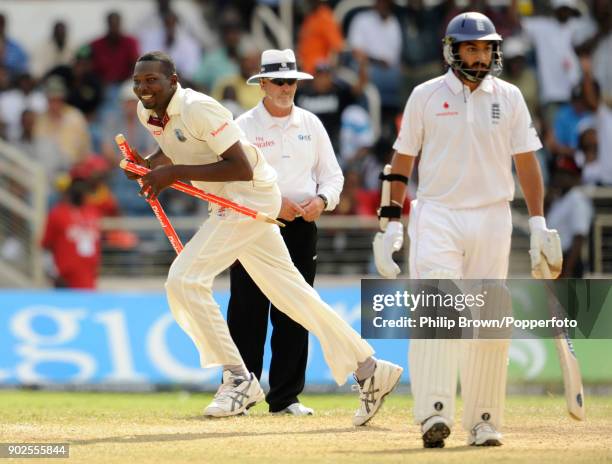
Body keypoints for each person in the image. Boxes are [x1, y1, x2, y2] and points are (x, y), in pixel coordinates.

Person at [124, 51, 402, 421]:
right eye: (139, 81)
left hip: (247, 198)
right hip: (237, 202)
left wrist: (172, 173)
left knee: (184, 280)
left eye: (152, 80)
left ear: (173, 81)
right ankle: (370, 368)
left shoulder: (199, 108)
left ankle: (238, 378)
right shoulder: (149, 113)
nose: (144, 88)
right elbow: (179, 144)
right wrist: (151, 164)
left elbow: (239, 167)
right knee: (295, 296)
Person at [372, 12, 562, 447]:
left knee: (489, 317)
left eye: (486, 48)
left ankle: (484, 420)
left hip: (493, 216)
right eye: (470, 48)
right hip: (438, 214)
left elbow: (526, 161)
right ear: (452, 50)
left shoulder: (510, 96)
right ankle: (433, 415)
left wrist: (537, 223)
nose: (479, 56)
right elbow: (402, 160)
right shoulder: (425, 95)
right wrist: (390, 225)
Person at [223, 49, 343, 416]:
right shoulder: (243, 126)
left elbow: (333, 176)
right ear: (262, 84)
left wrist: (323, 200)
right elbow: (233, 183)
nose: (286, 88)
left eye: (291, 81)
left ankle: (286, 397)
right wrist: (273, 206)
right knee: (247, 310)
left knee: (296, 310)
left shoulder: (310, 123)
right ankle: (241, 392)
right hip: (254, 226)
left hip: (302, 226)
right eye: (278, 81)